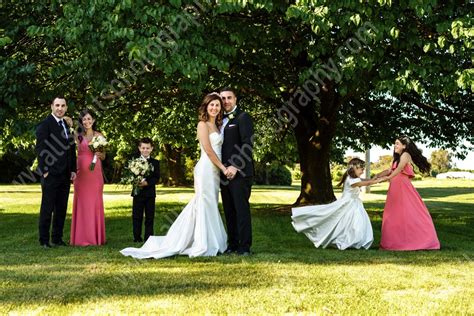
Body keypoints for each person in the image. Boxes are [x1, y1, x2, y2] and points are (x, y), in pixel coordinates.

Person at [120, 93, 228, 259]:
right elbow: (207, 149)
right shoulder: (202, 125)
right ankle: (202, 242)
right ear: (206, 106)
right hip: (206, 168)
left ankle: (211, 240)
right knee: (203, 201)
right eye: (211, 105)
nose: (214, 108)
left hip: (214, 171)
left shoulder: (218, 126)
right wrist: (222, 167)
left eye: (217, 105)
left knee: (211, 202)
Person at [291, 158, 382, 250]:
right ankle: (348, 240)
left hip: (354, 203)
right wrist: (379, 180)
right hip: (348, 204)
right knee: (349, 222)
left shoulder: (352, 178)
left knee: (354, 222)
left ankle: (354, 241)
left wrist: (374, 178)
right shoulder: (352, 180)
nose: (362, 171)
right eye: (361, 169)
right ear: (354, 168)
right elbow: (366, 183)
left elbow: (365, 180)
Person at [376, 135, 440, 250]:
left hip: (402, 187)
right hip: (395, 187)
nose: (395, 146)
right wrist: (378, 175)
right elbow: (391, 170)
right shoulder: (397, 157)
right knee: (393, 214)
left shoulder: (405, 155)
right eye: (394, 143)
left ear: (404, 146)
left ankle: (422, 241)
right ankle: (393, 243)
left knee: (409, 213)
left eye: (397, 143)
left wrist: (386, 178)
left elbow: (399, 169)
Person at [35, 96, 76, 248]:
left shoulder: (66, 125)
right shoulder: (45, 125)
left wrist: (72, 169)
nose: (60, 108)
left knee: (61, 208)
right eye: (57, 105)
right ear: (51, 106)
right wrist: (45, 170)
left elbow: (71, 149)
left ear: (66, 108)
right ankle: (44, 240)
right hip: (50, 174)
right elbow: (40, 149)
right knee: (47, 208)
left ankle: (57, 238)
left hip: (65, 174)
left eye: (63, 105)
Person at [220, 87, 254, 256]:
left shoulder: (243, 117)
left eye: (229, 98)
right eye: (223, 98)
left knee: (241, 210)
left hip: (240, 172)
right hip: (224, 173)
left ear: (235, 99)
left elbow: (247, 144)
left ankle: (244, 246)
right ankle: (232, 244)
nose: (226, 101)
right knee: (229, 209)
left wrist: (235, 166)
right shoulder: (219, 121)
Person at [70, 109, 106, 246]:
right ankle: (80, 237)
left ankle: (95, 237)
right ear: (81, 121)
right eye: (84, 119)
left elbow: (104, 156)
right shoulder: (77, 136)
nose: (87, 122)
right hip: (81, 175)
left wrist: (98, 153)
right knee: (82, 204)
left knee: (94, 204)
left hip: (95, 174)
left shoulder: (100, 135)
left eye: (89, 119)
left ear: (94, 121)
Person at [131, 137, 160, 243]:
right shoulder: (134, 161)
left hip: (150, 194)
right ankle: (137, 237)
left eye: (147, 148)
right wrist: (136, 181)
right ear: (139, 148)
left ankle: (149, 237)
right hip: (137, 193)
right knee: (137, 216)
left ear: (151, 149)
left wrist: (147, 183)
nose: (145, 150)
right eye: (143, 148)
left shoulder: (155, 162)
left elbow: (157, 177)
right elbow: (130, 175)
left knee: (149, 217)